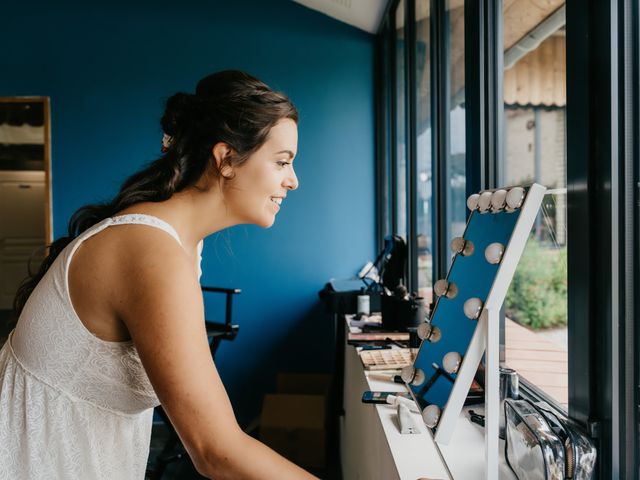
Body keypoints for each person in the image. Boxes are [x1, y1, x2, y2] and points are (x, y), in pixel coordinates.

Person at [0, 70, 317, 479]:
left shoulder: (178, 242)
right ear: (225, 160)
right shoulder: (152, 251)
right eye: (282, 162)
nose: (293, 180)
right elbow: (214, 450)